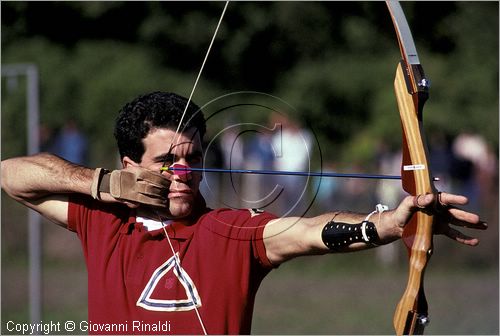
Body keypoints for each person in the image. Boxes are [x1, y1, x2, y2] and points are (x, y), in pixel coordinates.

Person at [1, 91, 487, 335]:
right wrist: (101, 184)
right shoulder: (102, 220)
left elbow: (308, 232)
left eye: (192, 157)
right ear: (131, 166)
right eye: (167, 162)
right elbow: (11, 175)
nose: (183, 171)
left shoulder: (229, 231)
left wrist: (385, 224)